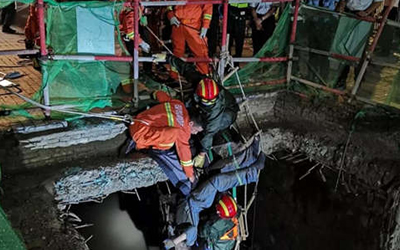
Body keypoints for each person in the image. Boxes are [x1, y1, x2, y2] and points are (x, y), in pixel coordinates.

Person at [163, 136, 266, 249]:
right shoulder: (189, 242)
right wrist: (174, 242)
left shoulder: (181, 234)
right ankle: (251, 172)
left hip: (196, 201)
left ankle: (250, 157)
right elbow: (192, 231)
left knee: (219, 172)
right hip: (197, 202)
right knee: (217, 181)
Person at [164, 55, 240, 169]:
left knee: (208, 127)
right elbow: (186, 69)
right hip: (204, 108)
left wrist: (202, 153)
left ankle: (204, 130)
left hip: (227, 113)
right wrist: (168, 58)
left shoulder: (215, 109)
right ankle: (197, 125)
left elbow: (210, 132)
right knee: (188, 108)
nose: (208, 103)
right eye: (205, 101)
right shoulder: (199, 81)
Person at [125, 90, 204, 195]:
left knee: (170, 131)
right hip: (138, 134)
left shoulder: (179, 105)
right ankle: (142, 146)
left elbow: (161, 95)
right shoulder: (183, 130)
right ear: (191, 123)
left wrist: (155, 93)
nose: (194, 133)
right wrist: (190, 175)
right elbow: (184, 152)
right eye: (196, 130)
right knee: (172, 137)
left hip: (137, 120)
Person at [166, 3, 212, 79]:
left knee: (200, 53)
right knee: (177, 52)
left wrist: (205, 25)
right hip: (178, 24)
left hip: (194, 25)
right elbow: (168, 4)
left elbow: (208, 7)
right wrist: (171, 15)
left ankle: (205, 77)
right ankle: (173, 77)